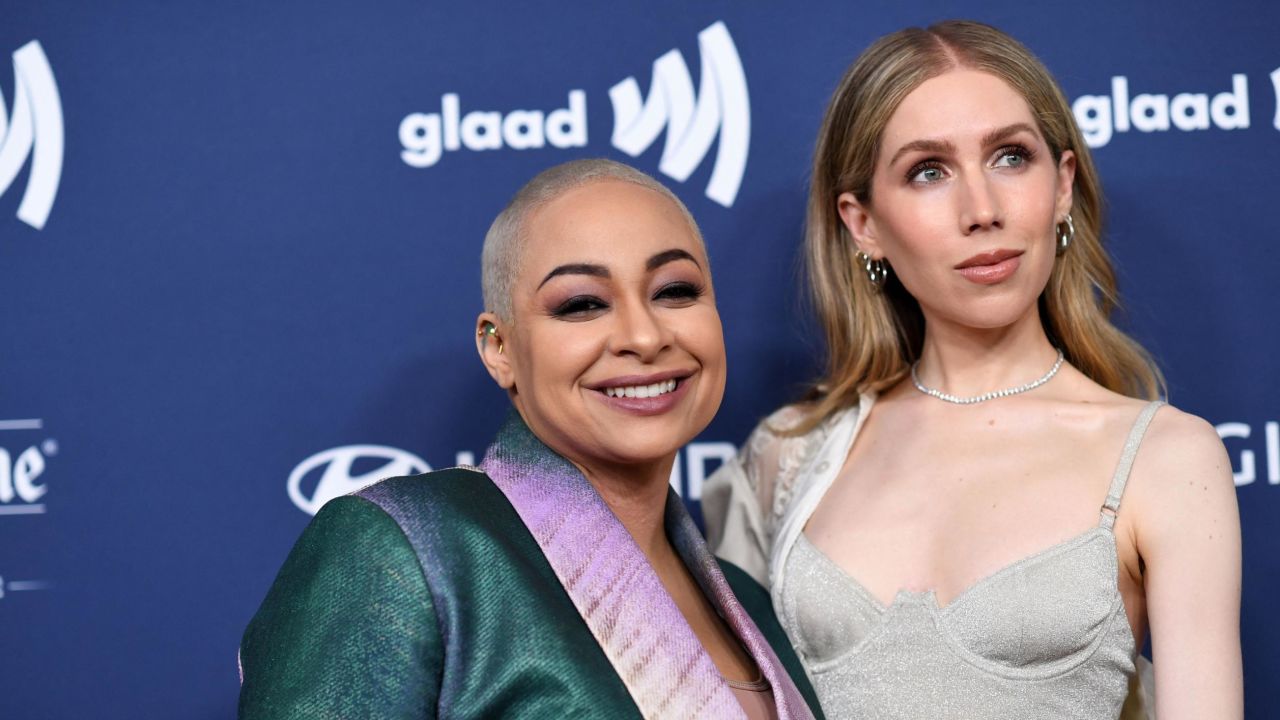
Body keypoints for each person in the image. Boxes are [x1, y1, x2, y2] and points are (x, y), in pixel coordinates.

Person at [704, 20, 1242, 720]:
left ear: (1063, 186)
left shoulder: (1167, 459)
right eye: (929, 171)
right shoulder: (790, 457)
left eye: (1011, 158)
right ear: (862, 222)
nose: (982, 210)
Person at [238, 158, 823, 720]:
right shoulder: (406, 549)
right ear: (499, 347)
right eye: (582, 304)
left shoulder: (749, 602)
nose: (644, 336)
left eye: (674, 291)